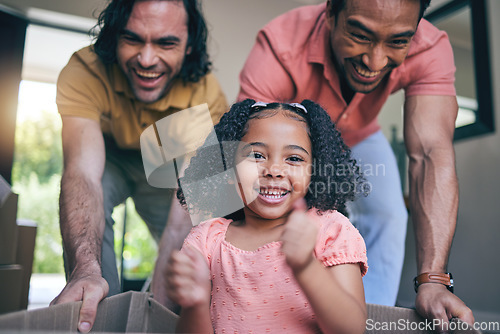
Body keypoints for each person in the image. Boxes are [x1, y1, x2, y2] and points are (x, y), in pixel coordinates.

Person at [238, 0, 474, 330]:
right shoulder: (279, 47)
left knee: (389, 212)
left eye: (397, 41)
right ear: (330, 13)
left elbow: (431, 154)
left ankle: (370, 318)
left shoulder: (430, 46)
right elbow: (240, 152)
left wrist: (434, 280)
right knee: (285, 211)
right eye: (360, 35)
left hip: (362, 133)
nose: (375, 60)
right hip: (293, 137)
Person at [50, 0, 227, 332]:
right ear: (114, 37)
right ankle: (94, 310)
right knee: (91, 202)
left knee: (193, 235)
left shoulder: (206, 95)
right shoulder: (83, 71)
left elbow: (180, 222)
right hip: (108, 156)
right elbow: (83, 173)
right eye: (132, 39)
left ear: (189, 47)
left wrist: (156, 314)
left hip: (165, 163)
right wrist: (85, 269)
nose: (147, 60)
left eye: (166, 43)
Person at [165, 99, 368, 333]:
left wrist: (305, 266)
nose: (273, 170)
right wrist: (196, 305)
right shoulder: (207, 240)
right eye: (256, 155)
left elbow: (352, 329)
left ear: (315, 171)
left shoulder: (330, 230)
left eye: (293, 158)